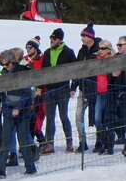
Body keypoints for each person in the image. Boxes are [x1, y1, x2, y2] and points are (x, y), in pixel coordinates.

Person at [0, 48, 37, 177]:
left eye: (6, 64)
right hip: (8, 110)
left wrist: (18, 107)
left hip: (22, 111)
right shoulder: (3, 73)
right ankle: (0, 170)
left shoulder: (21, 71)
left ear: (12, 61)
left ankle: (30, 167)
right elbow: (3, 92)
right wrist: (1, 105)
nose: (4, 67)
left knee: (23, 141)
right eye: (2, 64)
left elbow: (27, 92)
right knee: (5, 141)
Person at [41, 28, 76, 154]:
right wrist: (41, 87)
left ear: (59, 40)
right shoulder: (47, 52)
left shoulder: (68, 52)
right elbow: (43, 72)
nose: (51, 40)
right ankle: (49, 144)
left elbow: (76, 70)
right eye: (51, 38)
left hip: (62, 89)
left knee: (63, 116)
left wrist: (73, 87)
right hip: (50, 90)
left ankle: (69, 142)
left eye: (54, 38)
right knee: (49, 117)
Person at [73, 23, 100, 151]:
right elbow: (77, 69)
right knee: (78, 116)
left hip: (96, 89)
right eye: (81, 36)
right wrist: (74, 85)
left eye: (84, 36)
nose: (82, 38)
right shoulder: (81, 51)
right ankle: (82, 141)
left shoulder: (99, 48)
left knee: (98, 117)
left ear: (90, 37)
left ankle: (100, 141)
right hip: (83, 89)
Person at [112, 36, 126, 157]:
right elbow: (108, 77)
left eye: (120, 45)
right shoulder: (115, 58)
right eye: (117, 45)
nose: (118, 47)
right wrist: (112, 74)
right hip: (119, 95)